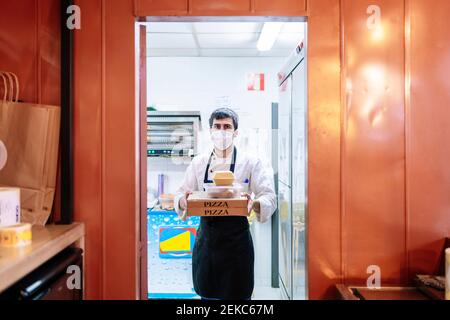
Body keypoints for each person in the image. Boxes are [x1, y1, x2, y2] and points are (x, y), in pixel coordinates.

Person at [174, 107, 276, 300]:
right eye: (217, 126)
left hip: (237, 244)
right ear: (211, 131)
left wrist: (253, 203)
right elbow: (179, 194)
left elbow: (269, 196)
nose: (222, 131)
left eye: (227, 127)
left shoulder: (250, 162)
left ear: (235, 132)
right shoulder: (199, 162)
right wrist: (184, 199)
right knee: (208, 297)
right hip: (207, 243)